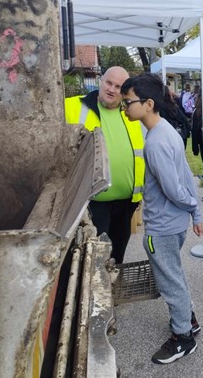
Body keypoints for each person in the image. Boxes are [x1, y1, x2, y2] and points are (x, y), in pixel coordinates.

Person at [120, 73, 203, 364]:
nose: (124, 108)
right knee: (175, 274)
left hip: (162, 227)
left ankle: (183, 338)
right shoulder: (165, 130)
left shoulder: (155, 142)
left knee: (170, 281)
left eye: (128, 102)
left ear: (148, 103)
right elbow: (184, 177)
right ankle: (188, 321)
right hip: (174, 223)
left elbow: (175, 188)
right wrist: (194, 212)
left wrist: (192, 205)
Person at [65, 66, 144, 264]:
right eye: (109, 83)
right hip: (92, 203)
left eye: (118, 86)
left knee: (117, 255)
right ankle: (95, 293)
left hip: (127, 202)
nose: (111, 89)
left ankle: (113, 290)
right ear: (101, 81)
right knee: (93, 257)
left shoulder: (131, 114)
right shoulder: (74, 106)